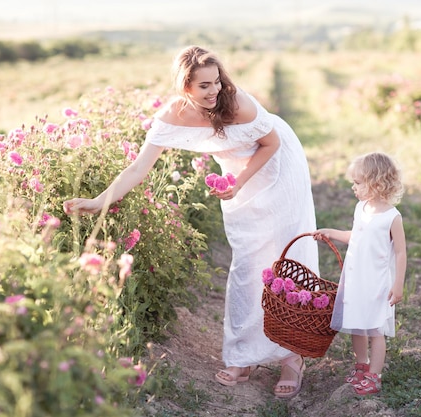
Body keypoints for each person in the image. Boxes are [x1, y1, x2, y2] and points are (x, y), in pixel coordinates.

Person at [63, 45, 319, 398]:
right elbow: (139, 167)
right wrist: (99, 201)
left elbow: (270, 143)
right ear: (185, 87)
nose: (214, 90)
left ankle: (292, 356)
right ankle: (244, 355)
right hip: (237, 174)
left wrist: (239, 182)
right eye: (203, 86)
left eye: (216, 81)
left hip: (276, 167)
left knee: (287, 256)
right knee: (248, 263)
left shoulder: (238, 103)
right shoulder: (173, 116)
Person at [312, 152, 407, 396]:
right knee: (356, 325)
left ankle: (374, 376)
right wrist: (332, 232)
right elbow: (357, 237)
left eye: (357, 182)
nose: (353, 187)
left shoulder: (392, 217)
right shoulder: (361, 208)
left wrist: (398, 285)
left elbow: (400, 253)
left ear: (376, 182)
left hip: (376, 283)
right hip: (355, 279)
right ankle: (361, 365)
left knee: (375, 329)